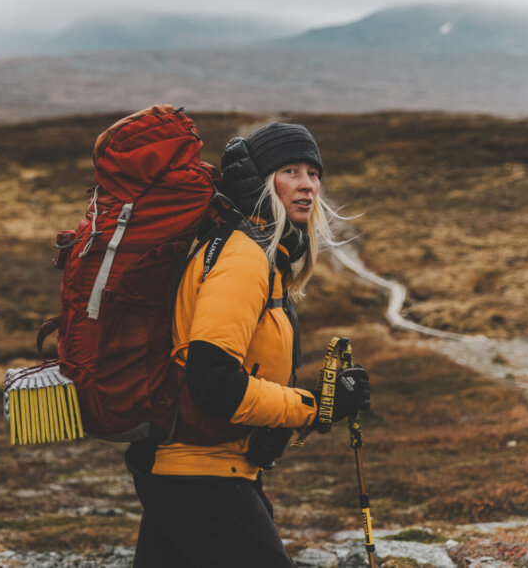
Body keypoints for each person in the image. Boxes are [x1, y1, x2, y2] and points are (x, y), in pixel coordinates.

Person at [124, 119, 371, 568]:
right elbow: (213, 382)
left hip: (192, 472)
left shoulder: (261, 256)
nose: (307, 186)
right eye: (290, 171)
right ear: (259, 183)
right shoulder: (242, 258)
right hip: (202, 476)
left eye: (313, 173)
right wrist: (314, 407)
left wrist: (319, 402)